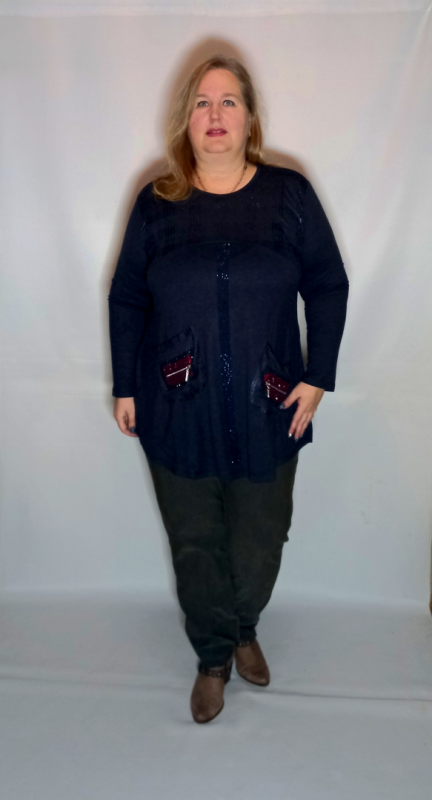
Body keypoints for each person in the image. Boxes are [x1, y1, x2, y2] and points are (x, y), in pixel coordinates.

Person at [108, 54, 349, 724]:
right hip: (175, 406)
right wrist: (125, 384)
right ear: (186, 121)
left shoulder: (289, 196)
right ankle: (214, 657)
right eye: (202, 103)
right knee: (194, 540)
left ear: (249, 119)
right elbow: (127, 297)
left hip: (269, 405)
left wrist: (318, 377)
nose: (215, 114)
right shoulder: (157, 203)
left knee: (262, 537)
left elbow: (328, 284)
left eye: (229, 101)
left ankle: (244, 626)